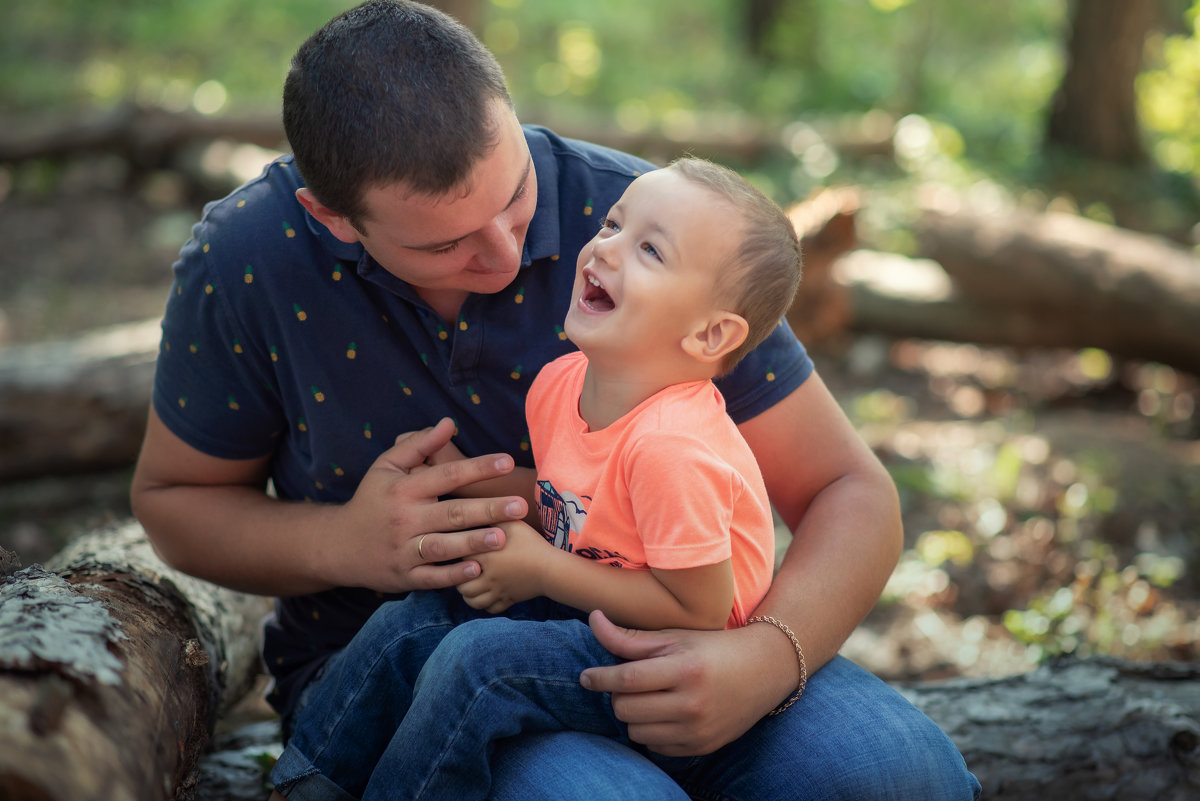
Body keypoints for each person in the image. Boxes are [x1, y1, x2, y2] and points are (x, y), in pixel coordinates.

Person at [128, 2, 981, 799]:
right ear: (335, 219)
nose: (504, 254)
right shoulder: (249, 259)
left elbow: (852, 491)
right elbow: (173, 502)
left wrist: (763, 660)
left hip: (689, 644)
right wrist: (348, 542)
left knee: (900, 772)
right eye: (446, 242)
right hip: (399, 669)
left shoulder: (651, 224)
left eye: (514, 199)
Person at [283, 156, 798, 801]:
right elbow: (575, 500)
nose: (605, 249)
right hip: (593, 606)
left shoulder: (674, 448)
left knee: (476, 665)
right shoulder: (564, 383)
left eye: (649, 250)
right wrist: (474, 487)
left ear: (711, 333)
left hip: (674, 662)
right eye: (612, 223)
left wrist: (542, 570)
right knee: (415, 621)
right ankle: (307, 779)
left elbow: (696, 609)